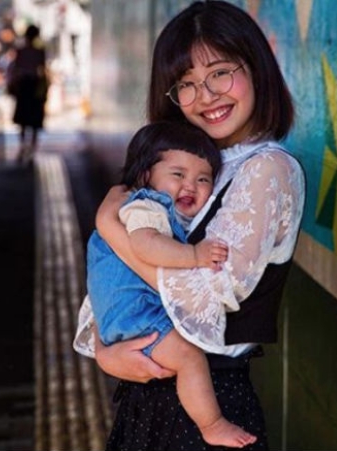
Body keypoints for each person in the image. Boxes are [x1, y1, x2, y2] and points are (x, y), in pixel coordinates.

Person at [73, 2, 305, 450]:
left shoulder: (267, 169)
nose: (206, 95)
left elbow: (206, 295)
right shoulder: (190, 168)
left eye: (220, 73)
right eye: (186, 84)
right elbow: (112, 288)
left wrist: (110, 227)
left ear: (255, 68)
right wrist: (108, 351)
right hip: (149, 401)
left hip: (213, 405)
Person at [87, 121, 256, 448]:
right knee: (189, 357)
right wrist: (194, 254)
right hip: (138, 317)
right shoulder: (145, 206)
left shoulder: (144, 207)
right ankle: (212, 423)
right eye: (178, 175)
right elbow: (146, 246)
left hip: (129, 316)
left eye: (203, 178)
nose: (190, 185)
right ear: (144, 175)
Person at [8, 25, 48, 165]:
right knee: (35, 121)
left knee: (23, 121)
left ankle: (23, 148)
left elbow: (15, 70)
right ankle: (31, 150)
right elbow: (42, 70)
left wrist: (13, 86)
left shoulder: (21, 51)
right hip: (34, 86)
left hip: (24, 86)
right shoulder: (40, 52)